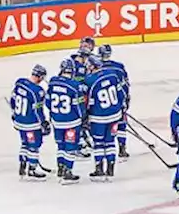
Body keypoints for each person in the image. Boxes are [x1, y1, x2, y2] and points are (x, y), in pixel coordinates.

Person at [86, 51, 125, 181]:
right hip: (114, 115)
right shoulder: (113, 76)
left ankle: (99, 169)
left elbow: (89, 103)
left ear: (93, 66)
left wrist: (85, 117)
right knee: (110, 141)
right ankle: (110, 168)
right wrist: (122, 108)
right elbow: (121, 95)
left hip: (98, 118)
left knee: (98, 143)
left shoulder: (90, 80)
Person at [46, 58, 84, 184]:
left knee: (60, 145)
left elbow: (47, 102)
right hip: (72, 122)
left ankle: (60, 169)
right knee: (70, 147)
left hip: (56, 121)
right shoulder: (75, 86)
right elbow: (79, 107)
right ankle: (68, 171)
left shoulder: (52, 82)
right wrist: (82, 117)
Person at [10, 64, 49, 181]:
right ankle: (32, 169)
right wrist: (43, 123)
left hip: (19, 121)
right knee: (34, 145)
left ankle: (22, 164)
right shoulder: (38, 91)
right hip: (31, 124)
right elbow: (38, 110)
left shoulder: (20, 83)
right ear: (40, 77)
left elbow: (12, 100)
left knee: (24, 143)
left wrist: (14, 114)